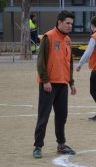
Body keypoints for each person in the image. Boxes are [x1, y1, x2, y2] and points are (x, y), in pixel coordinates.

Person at [32, 10, 77, 159]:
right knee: (43, 116)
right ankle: (38, 146)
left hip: (63, 84)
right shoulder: (48, 37)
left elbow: (69, 63)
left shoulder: (68, 40)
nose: (70, 26)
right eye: (67, 23)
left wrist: (71, 82)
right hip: (48, 84)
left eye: (71, 23)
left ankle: (61, 145)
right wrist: (45, 80)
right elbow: (40, 61)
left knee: (62, 115)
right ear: (59, 23)